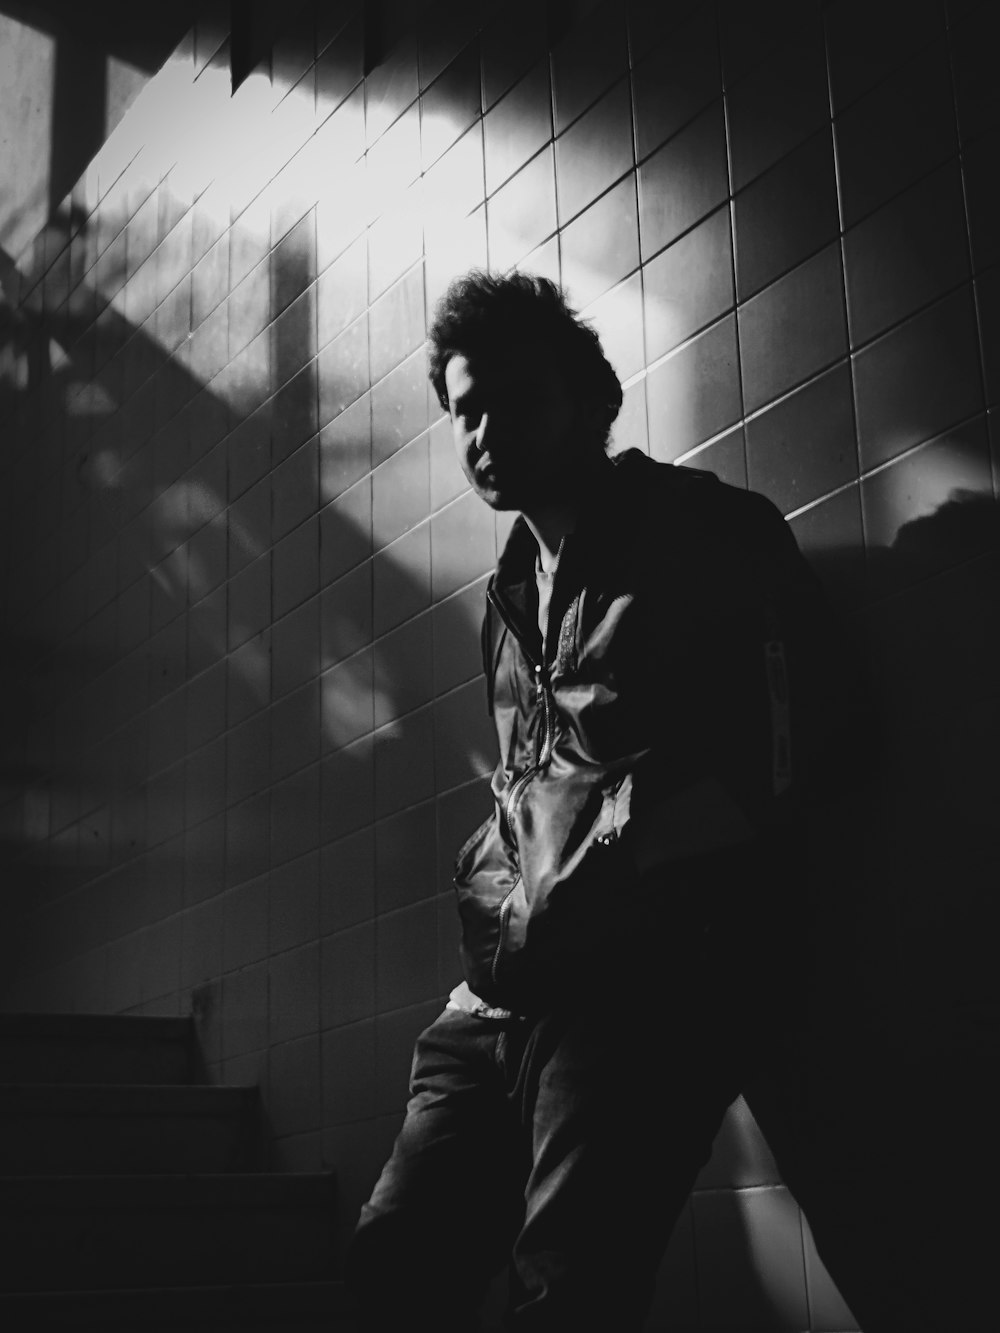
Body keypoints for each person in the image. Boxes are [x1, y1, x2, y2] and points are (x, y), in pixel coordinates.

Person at [347, 270, 835, 1331]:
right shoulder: (509, 594)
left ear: (593, 398)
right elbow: (533, 792)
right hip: (497, 1004)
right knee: (390, 1268)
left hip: (640, 989)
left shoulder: (701, 529)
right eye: (465, 409)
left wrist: (618, 875)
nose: (483, 430)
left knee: (566, 1294)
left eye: (513, 399)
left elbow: (797, 756)